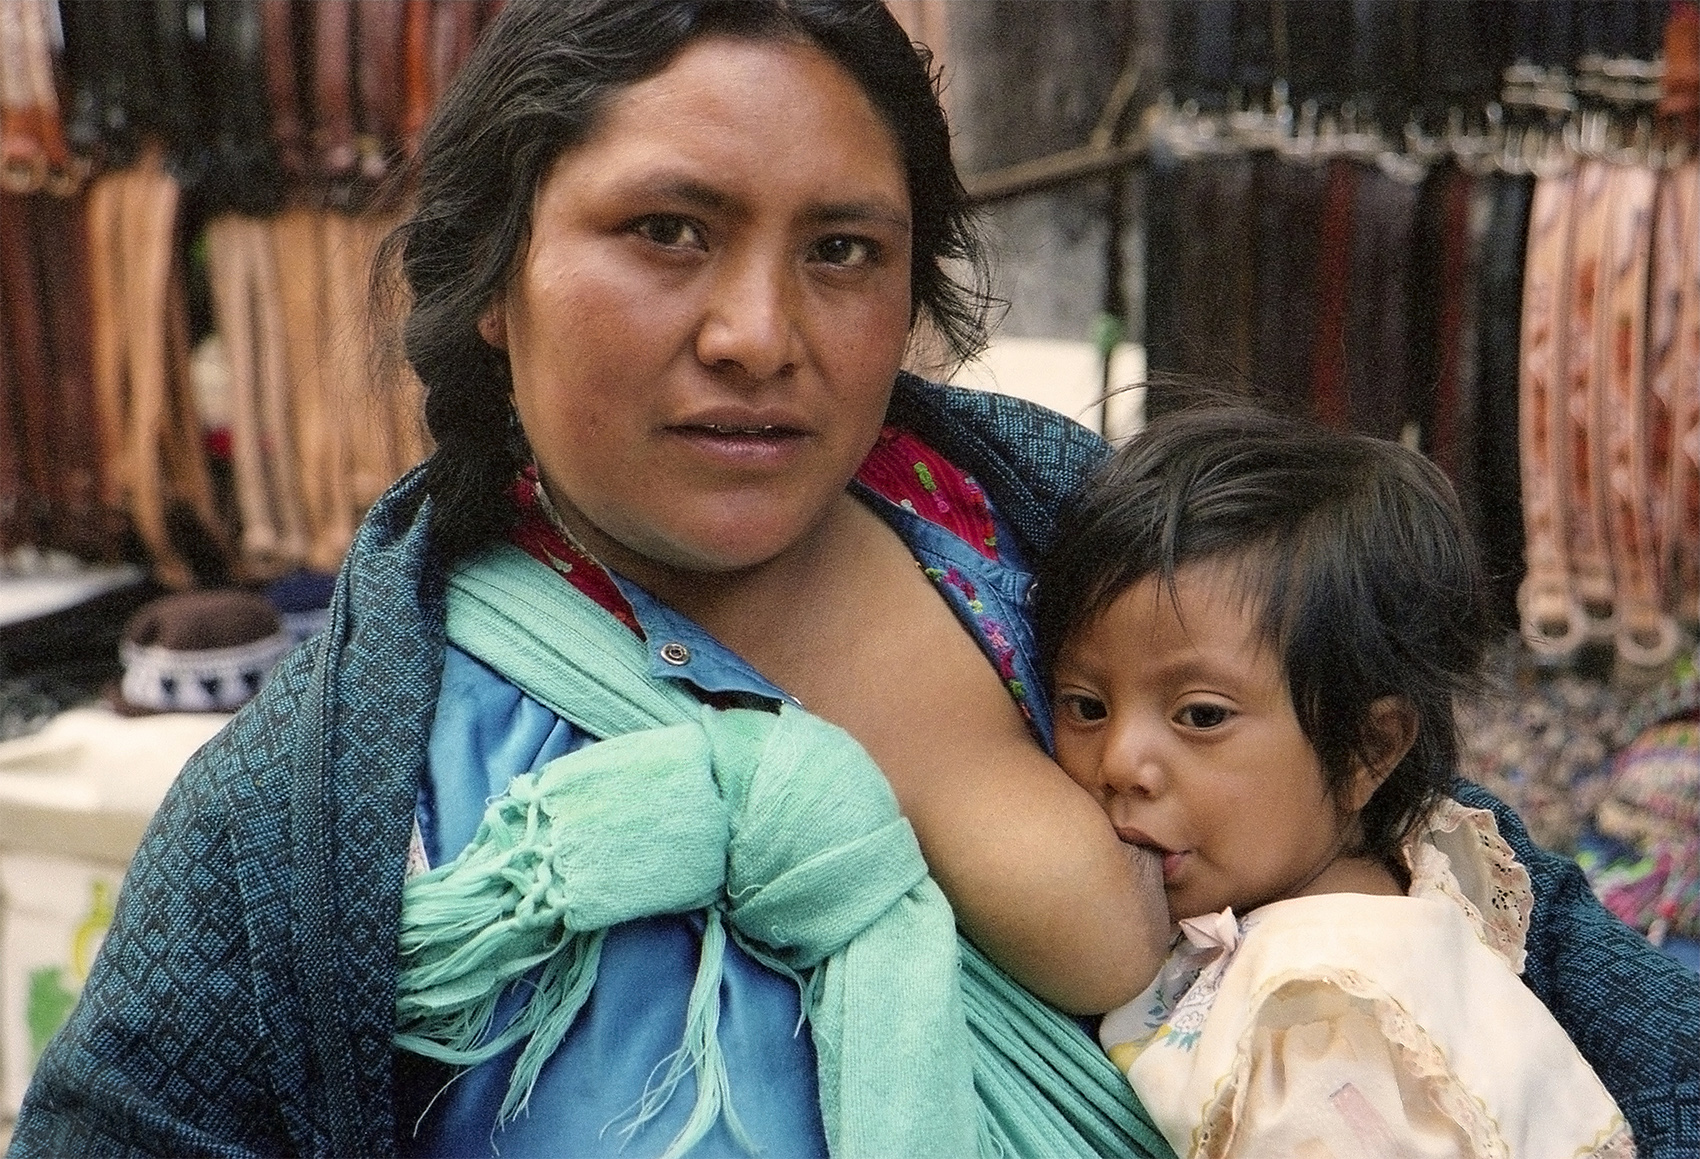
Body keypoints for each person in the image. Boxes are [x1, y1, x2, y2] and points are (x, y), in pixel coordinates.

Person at [7, 1, 1696, 1156]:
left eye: (841, 250)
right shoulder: (325, 804)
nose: (761, 334)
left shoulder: (1070, 549)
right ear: (496, 278)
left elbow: (1530, 948)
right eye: (668, 229)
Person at [1034, 402, 1638, 1155]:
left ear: (1364, 749)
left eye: (1201, 715)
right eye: (1085, 705)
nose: (1120, 760)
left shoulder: (1319, 1014)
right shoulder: (1398, 895)